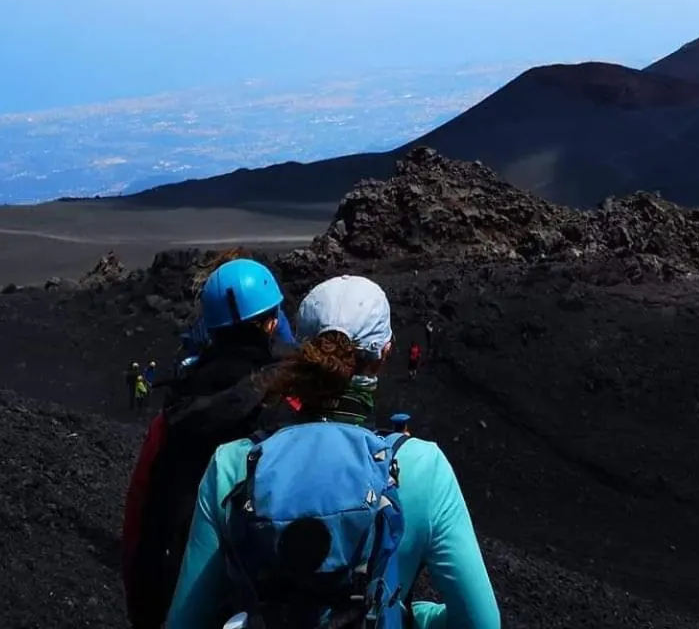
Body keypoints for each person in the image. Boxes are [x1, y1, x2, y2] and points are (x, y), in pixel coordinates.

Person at [165, 274, 500, 629]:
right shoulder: (422, 466)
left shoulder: (234, 464)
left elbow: (186, 621)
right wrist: (413, 615)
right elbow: (482, 622)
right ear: (385, 354)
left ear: (302, 352)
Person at [122, 257, 293, 629]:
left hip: (179, 589)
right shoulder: (287, 407)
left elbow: (140, 521)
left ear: (212, 330)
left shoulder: (174, 414)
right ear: (271, 323)